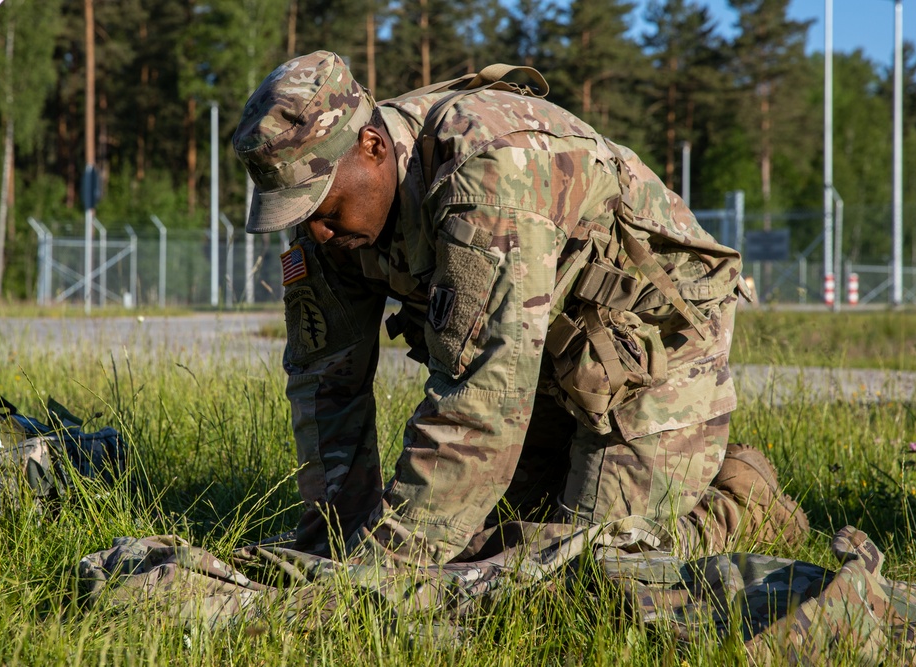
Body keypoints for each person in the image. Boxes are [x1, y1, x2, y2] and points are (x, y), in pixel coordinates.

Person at [232, 51, 808, 567]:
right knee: (484, 544)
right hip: (547, 365)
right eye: (294, 214)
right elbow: (324, 383)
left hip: (651, 357)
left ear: (373, 147)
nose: (314, 231)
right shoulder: (329, 222)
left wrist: (385, 566)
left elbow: (484, 398)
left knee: (587, 568)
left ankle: (740, 501)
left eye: (322, 206)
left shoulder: (489, 172)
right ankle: (646, 471)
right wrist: (334, 538)